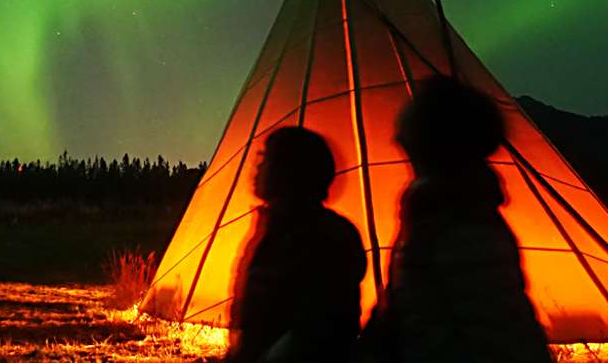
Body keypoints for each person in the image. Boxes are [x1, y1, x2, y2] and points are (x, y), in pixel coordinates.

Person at [361, 76, 552, 363]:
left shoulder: (460, 222)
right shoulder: (444, 209)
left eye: (407, 134)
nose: (395, 139)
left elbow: (473, 326)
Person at [224, 127, 365, 363]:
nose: (257, 167)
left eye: (266, 159)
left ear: (288, 171)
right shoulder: (270, 229)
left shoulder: (324, 236)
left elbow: (319, 326)